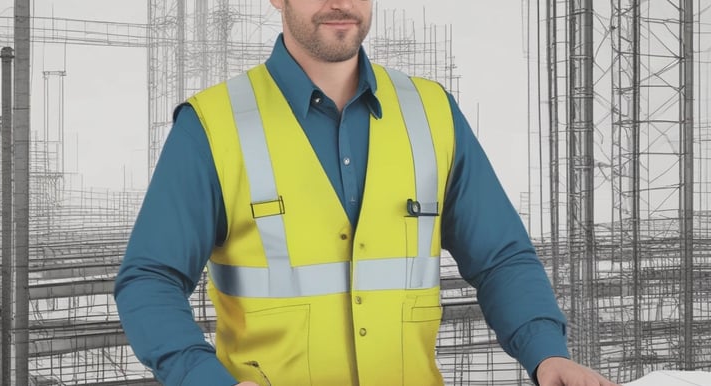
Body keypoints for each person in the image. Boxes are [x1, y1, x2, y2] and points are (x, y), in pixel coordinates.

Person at [115, 0, 620, 385]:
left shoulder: (432, 112)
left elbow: (501, 257)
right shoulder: (213, 125)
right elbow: (149, 278)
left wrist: (547, 353)